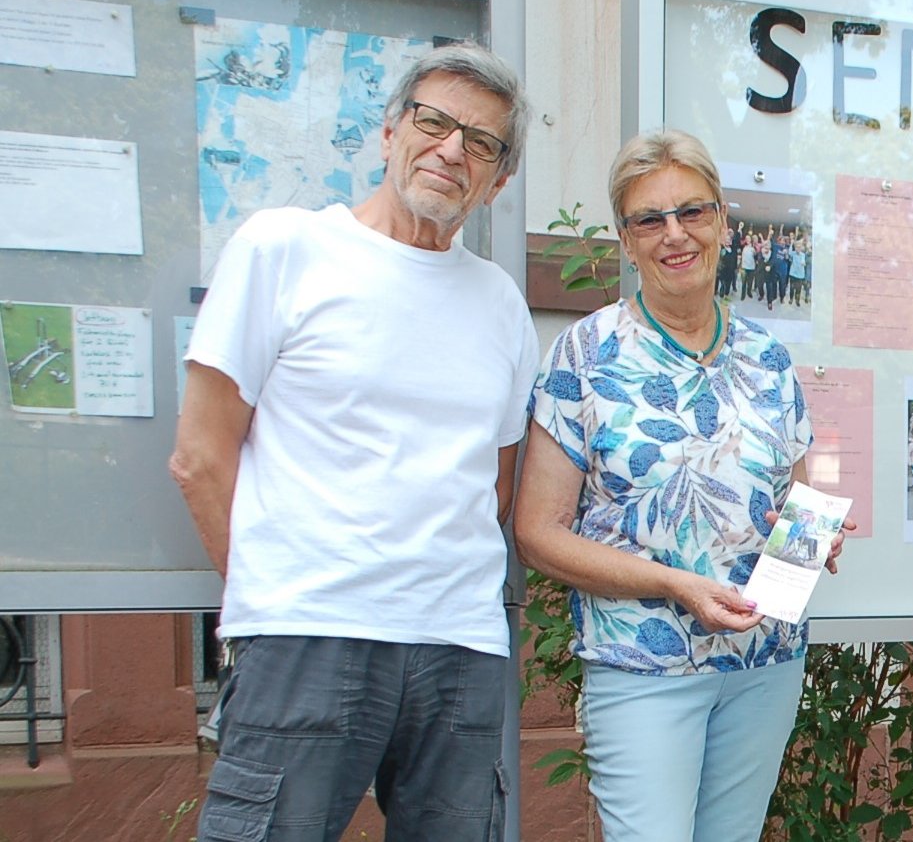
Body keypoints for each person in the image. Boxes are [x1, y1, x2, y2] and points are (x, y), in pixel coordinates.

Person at [170, 43, 538, 841]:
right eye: (433, 122)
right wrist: (274, 596)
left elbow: (494, 483)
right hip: (309, 634)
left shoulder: (501, 303)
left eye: (481, 143)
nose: (451, 151)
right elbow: (200, 456)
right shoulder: (284, 248)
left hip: (459, 646)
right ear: (388, 132)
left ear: (499, 180)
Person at [513, 129, 848, 842]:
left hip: (764, 662)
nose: (675, 234)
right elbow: (537, 533)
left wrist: (812, 542)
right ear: (625, 241)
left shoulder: (767, 355)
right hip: (642, 663)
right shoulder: (584, 353)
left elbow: (792, 500)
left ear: (723, 223)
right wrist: (675, 583)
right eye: (649, 219)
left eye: (692, 212)